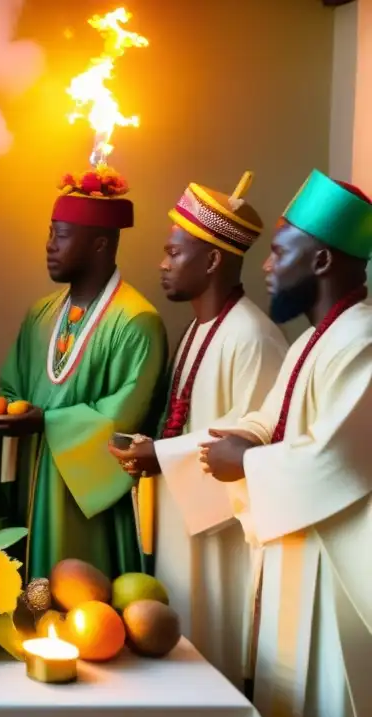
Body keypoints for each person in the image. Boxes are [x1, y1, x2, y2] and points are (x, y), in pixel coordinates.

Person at [200, 170, 372, 717]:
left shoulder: (364, 341)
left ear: (321, 259)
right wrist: (239, 438)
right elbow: (271, 420)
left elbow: (335, 460)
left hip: (335, 573)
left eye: (278, 251)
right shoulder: (310, 342)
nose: (266, 266)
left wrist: (246, 460)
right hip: (296, 553)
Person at [108, 172, 287, 689]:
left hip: (221, 540)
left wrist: (161, 455)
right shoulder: (195, 329)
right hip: (181, 526)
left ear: (212, 260)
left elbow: (254, 445)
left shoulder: (253, 337)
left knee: (211, 659)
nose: (163, 263)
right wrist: (155, 451)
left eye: (174, 252)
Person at [0, 168, 168, 581]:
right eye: (50, 233)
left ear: (100, 243)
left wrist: (47, 421)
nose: (49, 246)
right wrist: (6, 410)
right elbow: (12, 384)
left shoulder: (136, 322)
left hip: (82, 500)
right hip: (28, 481)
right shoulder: (41, 313)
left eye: (61, 236)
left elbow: (123, 420)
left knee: (81, 605)